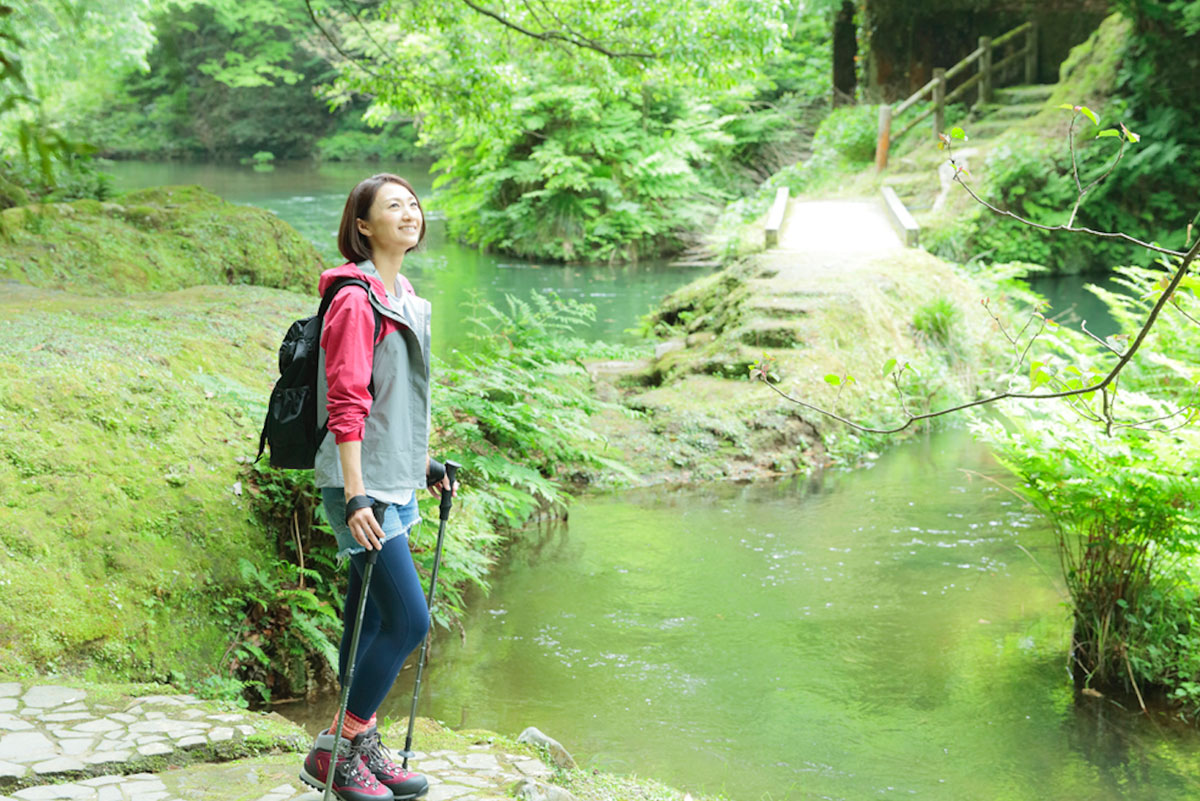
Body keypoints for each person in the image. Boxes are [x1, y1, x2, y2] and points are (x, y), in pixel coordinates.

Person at [299, 173, 453, 801]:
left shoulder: (403, 292)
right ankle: (333, 751)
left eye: (413, 204)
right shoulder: (355, 300)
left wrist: (425, 464)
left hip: (394, 478)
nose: (409, 213)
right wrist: (358, 495)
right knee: (409, 619)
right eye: (393, 206)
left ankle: (358, 744)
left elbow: (396, 403)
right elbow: (347, 404)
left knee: (366, 620)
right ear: (363, 226)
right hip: (361, 486)